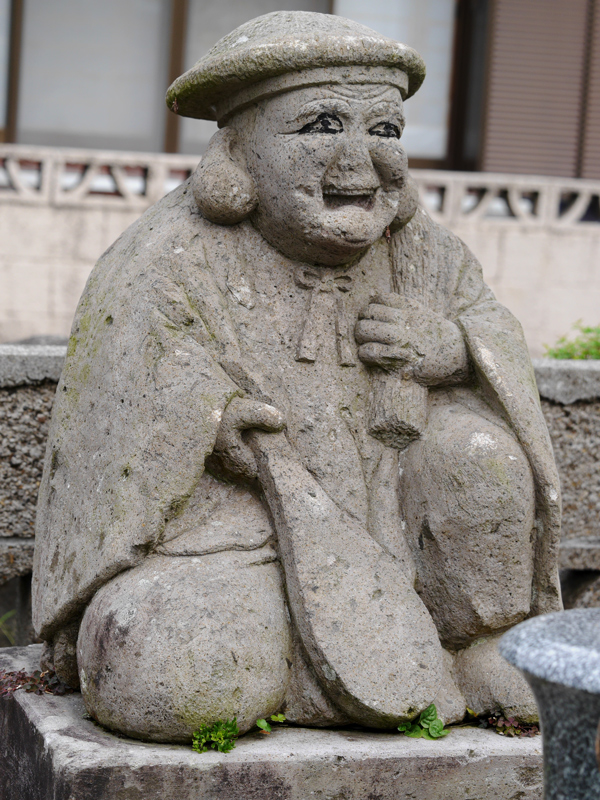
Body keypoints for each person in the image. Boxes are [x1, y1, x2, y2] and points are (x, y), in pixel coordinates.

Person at [32, 11, 561, 742]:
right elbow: (129, 379)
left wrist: (454, 348)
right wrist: (214, 418)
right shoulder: (166, 256)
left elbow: (488, 324)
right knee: (164, 674)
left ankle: (469, 640)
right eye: (320, 125)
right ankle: (300, 656)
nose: (361, 160)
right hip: (242, 538)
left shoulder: (423, 251)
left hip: (397, 515)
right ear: (238, 154)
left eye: (384, 132)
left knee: (477, 456)